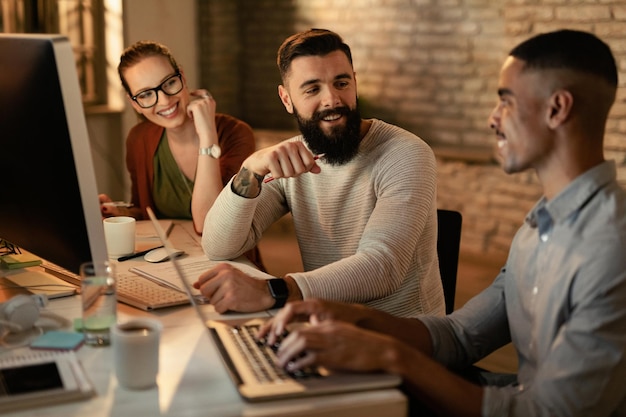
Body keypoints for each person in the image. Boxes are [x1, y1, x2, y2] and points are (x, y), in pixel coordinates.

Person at [256, 29, 626, 417]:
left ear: (556, 109)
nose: (492, 119)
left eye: (506, 102)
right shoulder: (540, 224)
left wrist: (390, 354)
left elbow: (546, 412)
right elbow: (461, 334)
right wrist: (352, 318)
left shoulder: (611, 247)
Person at [196, 29, 445, 316]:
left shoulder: (406, 153)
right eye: (312, 89)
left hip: (404, 342)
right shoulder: (292, 158)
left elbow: (383, 267)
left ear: (355, 83)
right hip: (328, 329)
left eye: (341, 83)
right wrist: (250, 169)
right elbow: (218, 246)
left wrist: (272, 291)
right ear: (287, 99)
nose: (332, 99)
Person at [98, 40, 263, 269]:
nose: (164, 100)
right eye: (146, 94)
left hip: (230, 265)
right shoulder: (139, 138)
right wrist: (119, 213)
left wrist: (208, 137)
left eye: (169, 83)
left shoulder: (236, 134)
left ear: (182, 78)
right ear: (134, 103)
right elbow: (147, 213)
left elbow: (210, 225)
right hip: (171, 263)